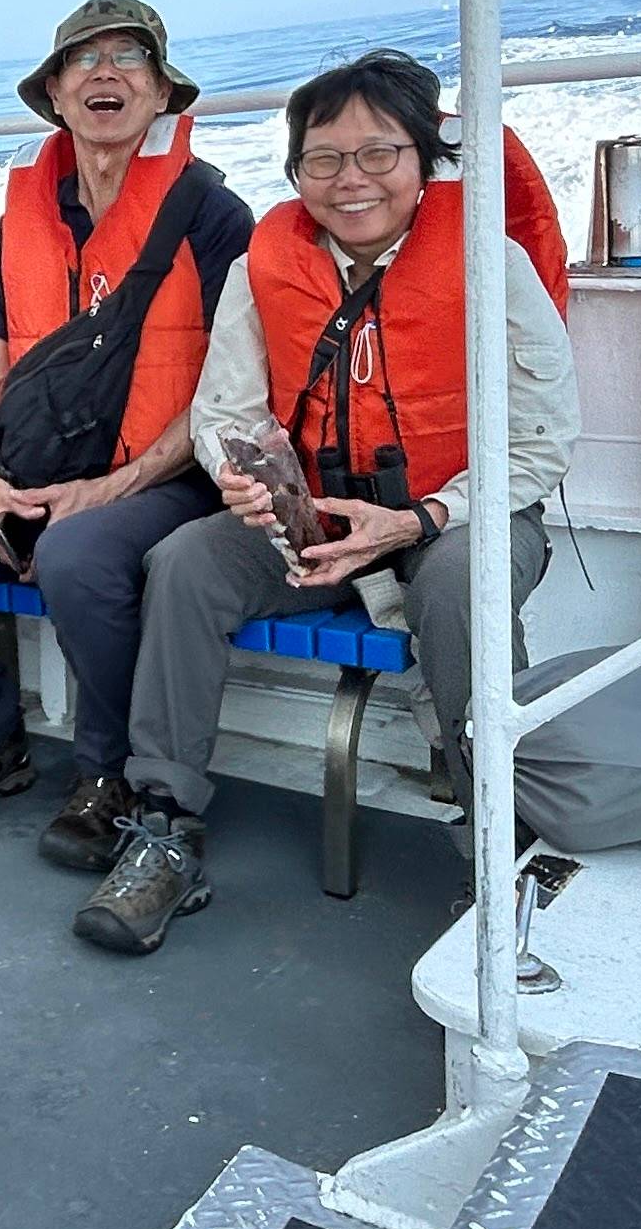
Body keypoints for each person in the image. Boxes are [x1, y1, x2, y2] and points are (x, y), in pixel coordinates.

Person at [87, 50, 578, 955]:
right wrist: (242, 476)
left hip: (459, 514)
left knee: (462, 580)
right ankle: (163, 824)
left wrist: (420, 519)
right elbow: (226, 408)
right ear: (296, 170)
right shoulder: (264, 260)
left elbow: (544, 440)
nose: (350, 181)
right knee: (184, 562)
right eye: (324, 159)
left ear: (422, 160)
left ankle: (503, 846)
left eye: (378, 154)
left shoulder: (486, 259)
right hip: (314, 516)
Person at [0, 0, 253, 870]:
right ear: (54, 94)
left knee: (81, 556)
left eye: (129, 60)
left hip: (163, 478)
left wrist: (106, 492)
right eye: (84, 61)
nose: (105, 74)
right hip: (29, 466)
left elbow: (232, 389)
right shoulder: (22, 222)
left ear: (161, 94)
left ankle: (107, 772)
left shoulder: (215, 219)